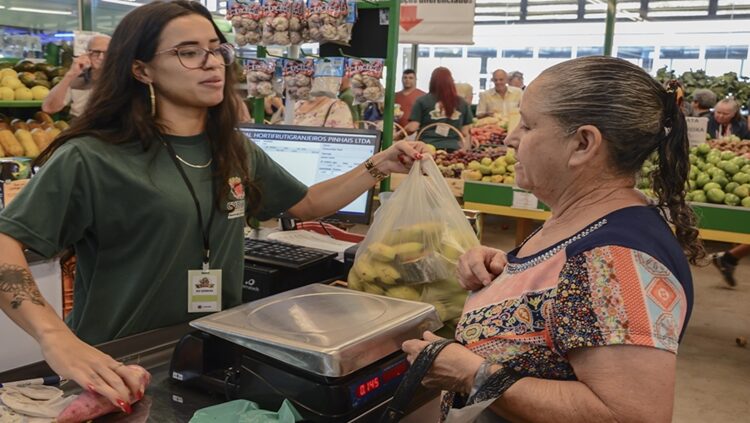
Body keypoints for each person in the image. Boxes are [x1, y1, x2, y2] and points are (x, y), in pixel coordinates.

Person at [0, 1, 426, 415]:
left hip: (211, 354)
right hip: (118, 364)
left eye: (216, 49)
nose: (211, 62)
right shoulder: (92, 156)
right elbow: (5, 242)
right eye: (188, 52)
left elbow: (307, 202)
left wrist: (378, 164)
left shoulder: (231, 148)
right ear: (141, 69)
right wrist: (55, 337)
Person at [401, 56, 702, 422]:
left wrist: (472, 374)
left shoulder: (614, 258)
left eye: (527, 126)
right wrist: (504, 269)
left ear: (583, 143)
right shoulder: (584, 221)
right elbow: (565, 296)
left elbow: (630, 415)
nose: (511, 138)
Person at [42, 34, 111, 118]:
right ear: (87, 53)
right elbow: (49, 108)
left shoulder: (122, 79)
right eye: (96, 52)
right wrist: (70, 74)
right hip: (81, 128)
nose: (101, 57)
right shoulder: (77, 79)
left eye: (107, 53)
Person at [405, 67, 473, 152]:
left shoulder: (422, 101)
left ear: (432, 82)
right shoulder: (462, 103)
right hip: (453, 149)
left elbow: (412, 128)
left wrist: (399, 135)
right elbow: (465, 132)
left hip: (426, 149)